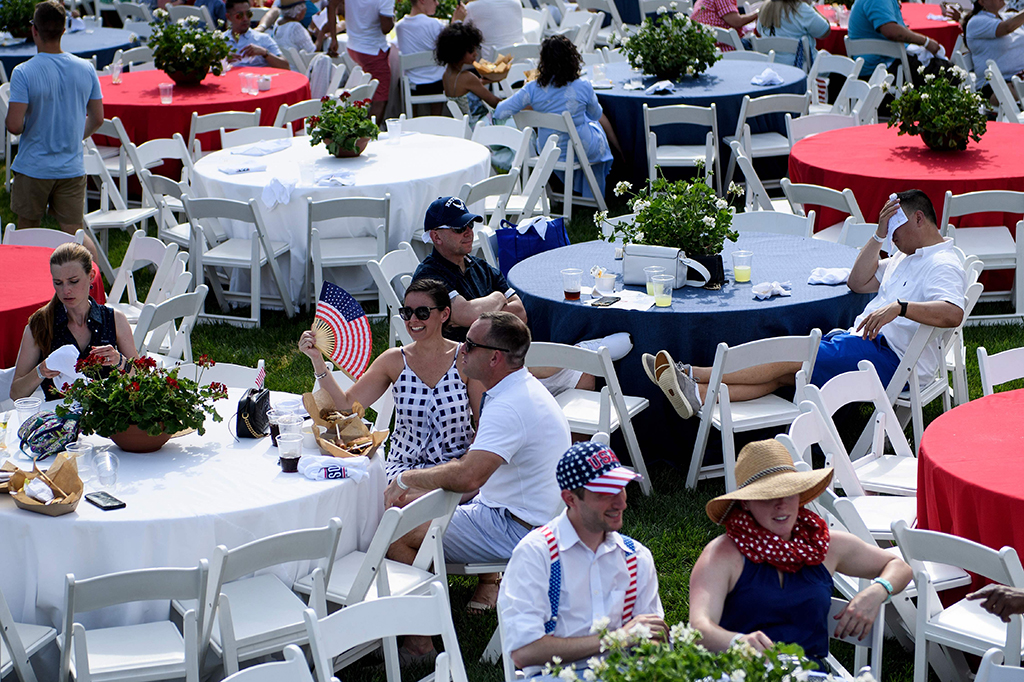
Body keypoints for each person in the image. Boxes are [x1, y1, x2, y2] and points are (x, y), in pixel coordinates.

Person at [647, 190, 967, 419]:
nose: (892, 237)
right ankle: (699, 396)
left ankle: (694, 372)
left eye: (894, 227)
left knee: (790, 354)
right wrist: (880, 235)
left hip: (893, 362)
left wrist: (900, 306)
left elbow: (953, 313)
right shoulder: (903, 256)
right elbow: (858, 281)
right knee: (786, 375)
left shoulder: (943, 264)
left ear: (919, 219)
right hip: (863, 343)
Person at [383, 311, 572, 662]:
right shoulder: (521, 389)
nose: (460, 350)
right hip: (536, 517)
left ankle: (419, 645)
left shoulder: (509, 407)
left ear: (495, 358)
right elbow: (476, 475)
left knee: (397, 528)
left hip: (517, 528)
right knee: (416, 504)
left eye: (469, 345)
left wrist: (406, 478)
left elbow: (469, 476)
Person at [689, 439, 912, 665]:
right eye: (767, 496)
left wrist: (876, 592)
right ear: (745, 503)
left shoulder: (823, 545)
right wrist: (738, 642)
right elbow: (699, 629)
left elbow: (900, 567)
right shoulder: (722, 554)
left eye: (789, 491)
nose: (781, 503)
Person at [411, 196, 633, 395]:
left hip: (504, 356)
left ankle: (579, 360)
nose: (468, 232)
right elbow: (468, 314)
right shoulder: (430, 277)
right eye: (459, 228)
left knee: (583, 375)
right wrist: (498, 297)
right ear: (436, 237)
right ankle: (583, 352)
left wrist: (481, 311)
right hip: (472, 369)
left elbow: (520, 312)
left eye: (470, 224)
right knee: (569, 362)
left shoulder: (477, 266)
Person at [498, 441, 666, 679]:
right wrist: (617, 638)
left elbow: (651, 639)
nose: (621, 502)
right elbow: (525, 651)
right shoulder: (536, 554)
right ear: (570, 499)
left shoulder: (636, 557)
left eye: (621, 488)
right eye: (604, 493)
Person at [298, 278, 480, 482]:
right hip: (404, 470)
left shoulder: (465, 359)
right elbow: (346, 407)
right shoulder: (394, 361)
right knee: (411, 497)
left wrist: (467, 464)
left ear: (444, 314)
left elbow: (483, 423)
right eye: (407, 313)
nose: (413, 320)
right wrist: (318, 362)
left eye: (422, 313)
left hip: (453, 470)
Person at [4, 0, 104, 263]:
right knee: (75, 234)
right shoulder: (86, 68)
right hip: (71, 166)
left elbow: (14, 125)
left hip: (33, 167)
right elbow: (97, 117)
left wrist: (34, 126)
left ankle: (25, 287)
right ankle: (98, 285)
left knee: (26, 234)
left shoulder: (24, 72)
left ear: (33, 30)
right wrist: (72, 135)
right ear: (64, 29)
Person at [494, 34, 617, 201]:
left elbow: (500, 111)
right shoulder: (583, 86)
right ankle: (595, 191)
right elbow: (595, 114)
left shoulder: (533, 89)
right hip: (582, 149)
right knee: (594, 126)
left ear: (544, 62)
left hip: (549, 149)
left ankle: (569, 190)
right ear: (573, 59)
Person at [10, 243, 138, 402]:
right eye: (58, 282)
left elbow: (142, 378)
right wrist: (40, 371)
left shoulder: (114, 319)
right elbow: (16, 393)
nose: (65, 291)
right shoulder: (40, 325)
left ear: (91, 276)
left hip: (107, 415)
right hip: (61, 420)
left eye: (73, 281)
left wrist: (121, 362)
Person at [396, 0, 464, 115]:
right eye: (434, 0)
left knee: (402, 81)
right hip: (438, 84)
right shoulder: (434, 24)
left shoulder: (400, 27)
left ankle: (413, 118)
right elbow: (453, 44)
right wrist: (457, 22)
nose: (437, 3)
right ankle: (436, 118)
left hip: (414, 86)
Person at [334, 0, 395, 122]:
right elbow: (386, 28)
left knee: (364, 90)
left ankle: (360, 130)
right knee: (380, 98)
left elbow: (332, 5)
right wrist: (391, 18)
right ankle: (368, 136)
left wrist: (333, 38)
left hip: (353, 46)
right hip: (372, 50)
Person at [436, 21, 503, 127]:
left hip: (466, 127)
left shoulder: (447, 75)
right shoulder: (468, 77)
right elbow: (494, 102)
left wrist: (482, 82)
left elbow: (464, 91)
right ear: (458, 51)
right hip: (482, 126)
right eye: (471, 51)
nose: (475, 54)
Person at [847, 0, 941, 76]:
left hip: (873, 65)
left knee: (940, 68)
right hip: (879, 68)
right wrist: (926, 42)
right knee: (946, 73)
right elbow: (891, 31)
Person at [963, 0, 1024, 82]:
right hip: (996, 84)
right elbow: (1007, 28)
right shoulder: (976, 22)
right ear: (982, 2)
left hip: (1018, 79)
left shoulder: (1008, 16)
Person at [755, 0, 831, 66]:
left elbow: (759, 31)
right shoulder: (800, 9)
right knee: (836, 64)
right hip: (801, 68)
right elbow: (825, 31)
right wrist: (810, 5)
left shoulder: (765, 7)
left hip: (771, 68)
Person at [224, 0, 291, 68]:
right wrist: (223, 60)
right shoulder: (219, 40)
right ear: (229, 17)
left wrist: (264, 53)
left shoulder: (262, 38)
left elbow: (285, 66)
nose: (245, 19)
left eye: (249, 14)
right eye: (239, 16)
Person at [691, 0, 758, 49]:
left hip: (705, 48)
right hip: (725, 48)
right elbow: (737, 22)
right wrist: (757, 13)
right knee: (757, 46)